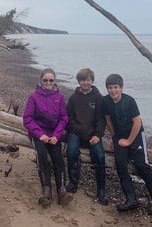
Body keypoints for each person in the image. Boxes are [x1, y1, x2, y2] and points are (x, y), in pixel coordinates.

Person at [101, 73, 152, 215]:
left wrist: (129, 141)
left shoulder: (129, 101)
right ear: (107, 89)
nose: (113, 91)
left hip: (136, 135)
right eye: (110, 88)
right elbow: (108, 120)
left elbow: (137, 122)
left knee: (142, 165)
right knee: (121, 165)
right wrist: (114, 138)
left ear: (121, 88)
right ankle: (131, 200)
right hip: (119, 136)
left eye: (116, 87)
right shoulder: (105, 101)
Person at [23, 68, 72, 208]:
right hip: (38, 133)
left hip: (54, 135)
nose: (48, 82)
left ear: (55, 81)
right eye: (46, 80)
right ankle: (46, 190)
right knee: (42, 155)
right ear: (41, 80)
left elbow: (64, 118)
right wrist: (40, 135)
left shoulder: (60, 97)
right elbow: (27, 119)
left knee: (58, 158)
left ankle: (61, 190)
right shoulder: (33, 96)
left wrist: (57, 136)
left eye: (51, 80)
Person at [65, 68, 108, 204]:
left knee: (100, 156)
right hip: (76, 132)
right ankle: (73, 182)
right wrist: (74, 128)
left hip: (93, 134)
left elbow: (101, 119)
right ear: (79, 81)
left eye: (88, 80)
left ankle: (101, 190)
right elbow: (68, 117)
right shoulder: (74, 98)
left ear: (92, 81)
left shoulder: (98, 97)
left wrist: (98, 135)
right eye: (83, 80)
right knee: (71, 152)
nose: (85, 83)